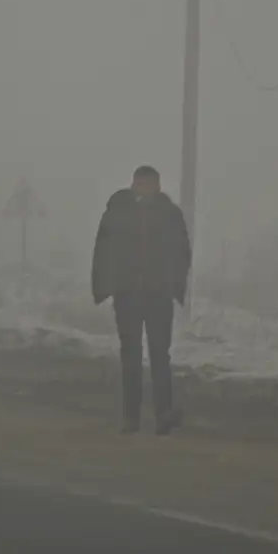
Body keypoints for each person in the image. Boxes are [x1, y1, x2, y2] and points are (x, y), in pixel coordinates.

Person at [90, 165, 191, 435]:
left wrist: (174, 285)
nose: (144, 189)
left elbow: (182, 251)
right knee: (131, 356)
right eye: (140, 184)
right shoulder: (119, 211)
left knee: (160, 355)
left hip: (158, 296)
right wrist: (105, 285)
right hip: (128, 296)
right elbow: (103, 248)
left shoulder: (169, 214)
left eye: (149, 184)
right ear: (134, 184)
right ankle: (131, 418)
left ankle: (163, 416)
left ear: (157, 186)